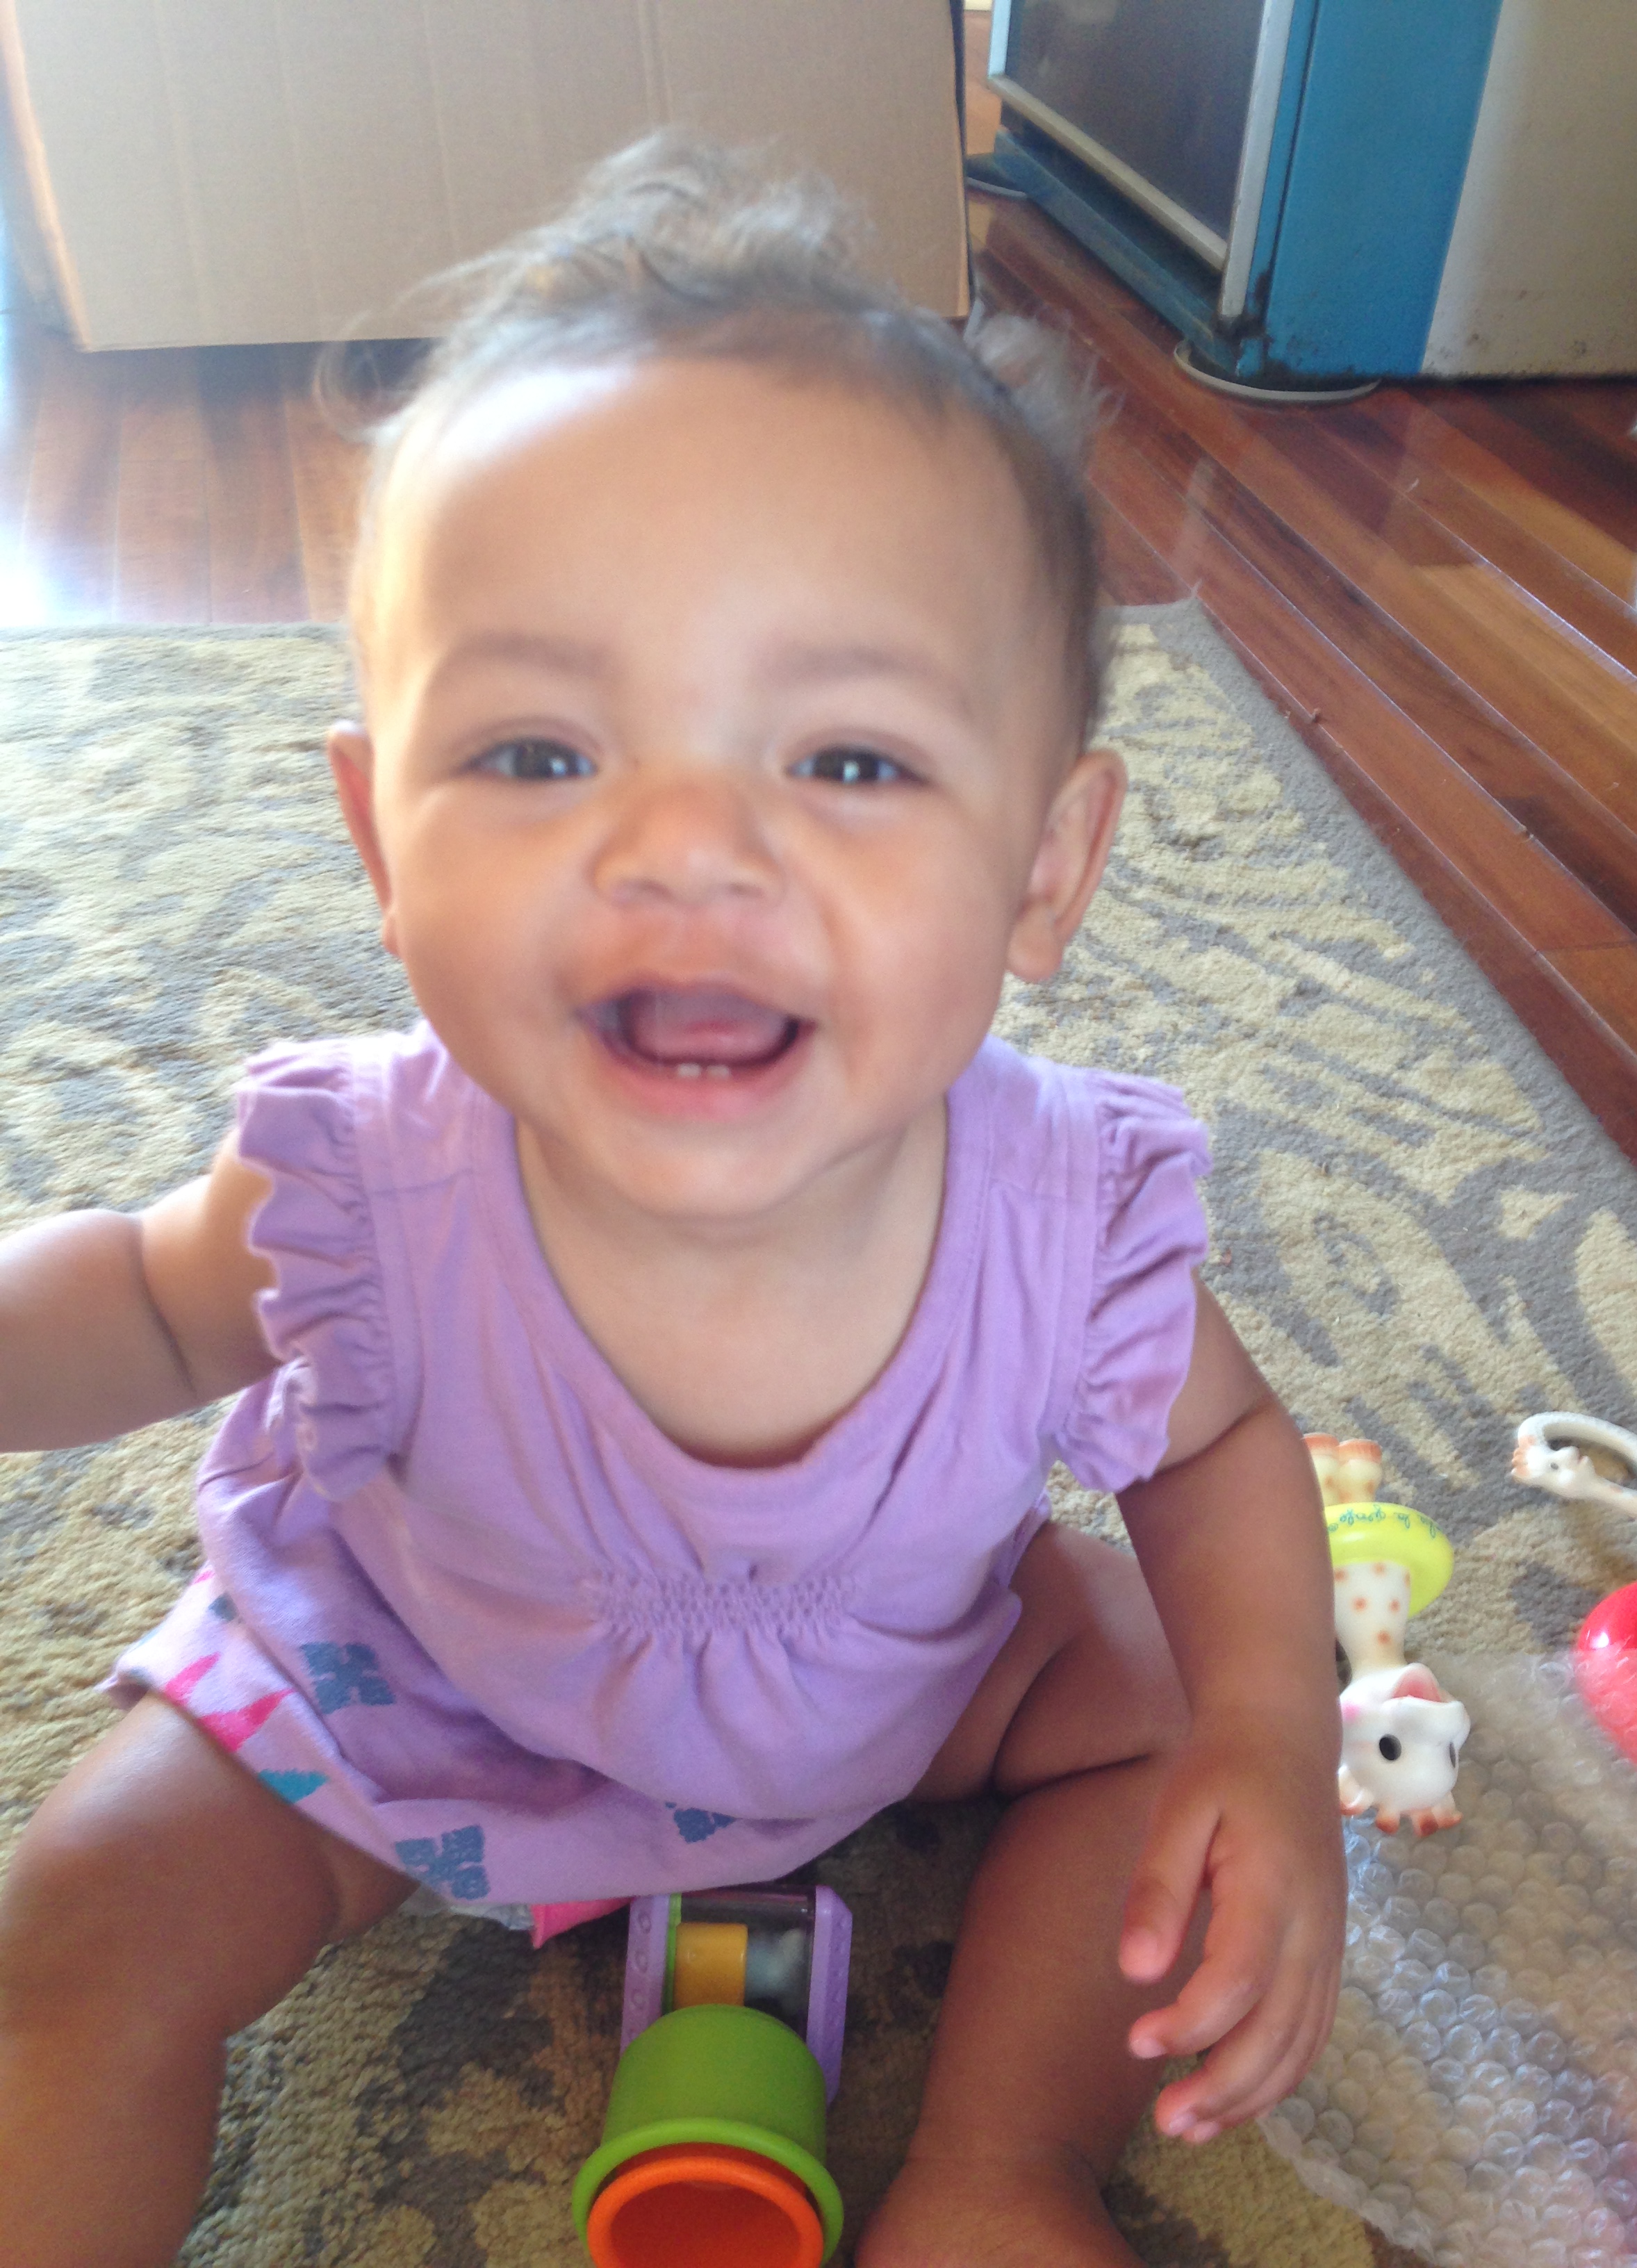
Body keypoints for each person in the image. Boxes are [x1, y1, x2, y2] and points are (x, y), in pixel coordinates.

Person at [0, 139, 1344, 2267]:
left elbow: (1220, 1453)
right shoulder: (364, 1177)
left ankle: (1003, 2168)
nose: (689, 849)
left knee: (1179, 1701)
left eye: (851, 760)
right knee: (72, 1937)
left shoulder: (1062, 1215)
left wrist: (1269, 1731)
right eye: (541, 754)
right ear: (381, 836)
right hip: (413, 1681)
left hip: (897, 1686)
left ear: (1048, 867)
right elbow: (142, 1307)